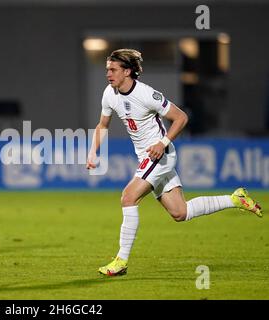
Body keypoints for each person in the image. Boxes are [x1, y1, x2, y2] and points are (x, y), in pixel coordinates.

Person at [86, 48, 263, 276]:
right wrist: (93, 152)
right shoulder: (109, 94)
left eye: (113, 69)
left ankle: (121, 261)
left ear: (128, 71)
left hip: (160, 155)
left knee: (128, 197)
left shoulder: (147, 94)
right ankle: (235, 199)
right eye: (107, 69)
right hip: (146, 157)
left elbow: (181, 117)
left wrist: (163, 141)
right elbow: (102, 125)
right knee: (180, 212)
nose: (108, 73)